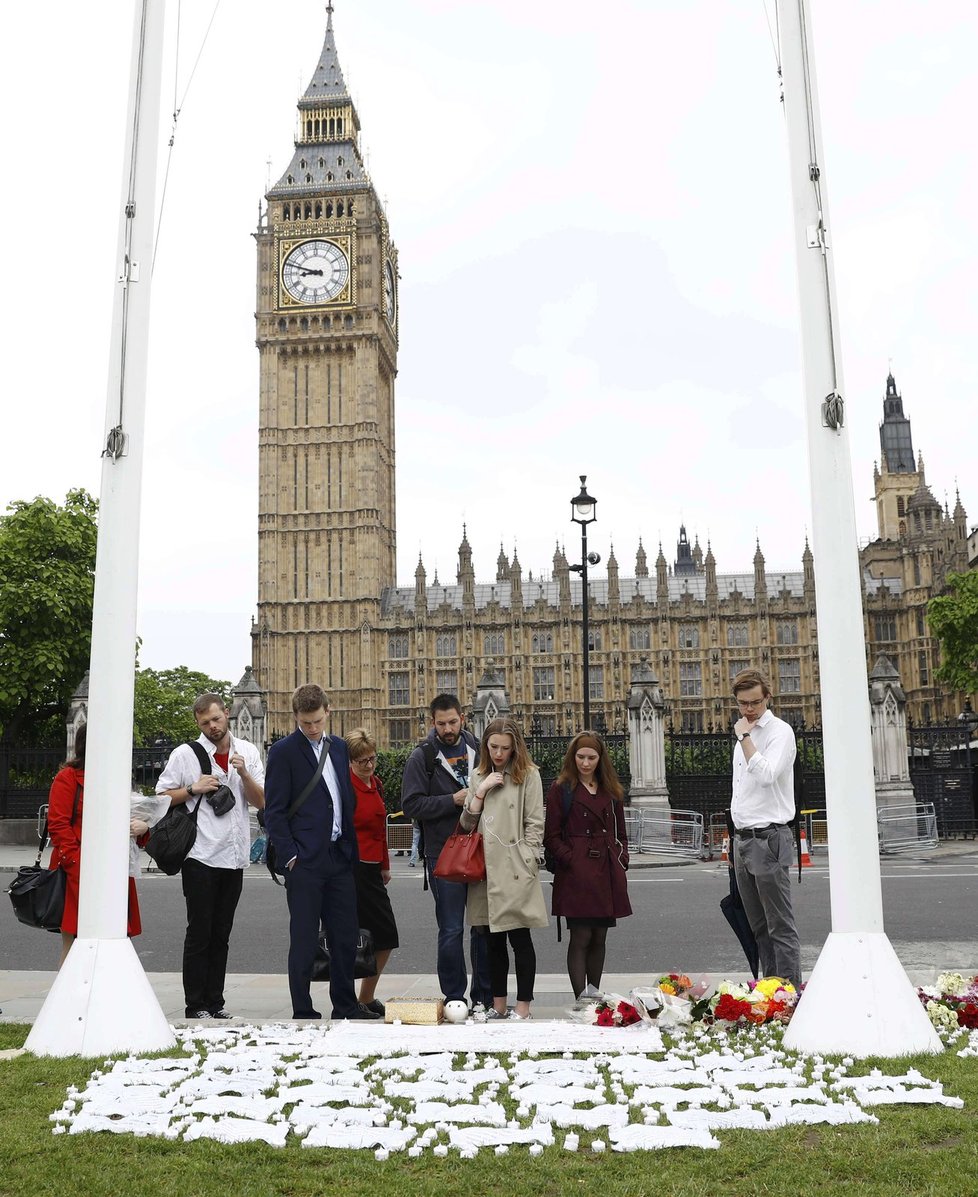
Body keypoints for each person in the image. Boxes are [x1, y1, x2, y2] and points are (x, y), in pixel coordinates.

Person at [263, 684, 381, 1021]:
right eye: (305, 723)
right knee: (303, 938)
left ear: (328, 712)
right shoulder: (284, 752)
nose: (312, 728)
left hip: (339, 857)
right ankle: (303, 1008)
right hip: (305, 862)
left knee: (344, 936)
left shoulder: (340, 748)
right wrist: (290, 857)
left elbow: (345, 797)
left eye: (316, 721)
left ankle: (345, 1005)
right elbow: (274, 811)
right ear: (295, 718)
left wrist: (348, 848)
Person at [157, 693, 265, 1019]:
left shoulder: (247, 751)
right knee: (199, 932)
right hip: (200, 854)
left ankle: (215, 1003)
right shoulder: (185, 755)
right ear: (197, 723)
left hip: (234, 856)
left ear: (227, 714)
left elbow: (262, 801)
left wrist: (244, 774)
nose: (213, 727)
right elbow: (161, 796)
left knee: (222, 933)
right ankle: (196, 1005)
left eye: (216, 719)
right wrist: (192, 789)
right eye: (205, 723)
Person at [401, 694, 492, 1013]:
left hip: (481, 848)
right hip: (444, 853)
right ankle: (455, 995)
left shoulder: (480, 749)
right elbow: (411, 805)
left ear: (463, 718)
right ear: (432, 722)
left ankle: (484, 994)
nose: (448, 729)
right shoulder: (422, 757)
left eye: (453, 722)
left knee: (483, 925)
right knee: (452, 927)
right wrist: (451, 800)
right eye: (441, 724)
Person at [460, 718, 548, 1020]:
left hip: (515, 867)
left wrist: (529, 858)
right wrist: (481, 791)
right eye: (493, 747)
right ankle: (498, 1005)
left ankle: (523, 1006)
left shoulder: (529, 776)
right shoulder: (478, 775)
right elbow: (466, 824)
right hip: (485, 869)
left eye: (505, 748)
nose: (498, 753)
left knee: (520, 938)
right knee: (491, 939)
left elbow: (535, 823)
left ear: (515, 748)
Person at [543, 731, 631, 999]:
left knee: (600, 937)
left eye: (591, 757)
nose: (585, 763)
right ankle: (581, 997)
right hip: (576, 874)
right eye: (581, 757)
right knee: (580, 937)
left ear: (600, 758)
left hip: (606, 870)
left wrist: (622, 857)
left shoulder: (610, 789)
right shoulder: (562, 789)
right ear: (573, 757)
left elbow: (622, 832)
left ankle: (595, 991)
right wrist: (572, 859)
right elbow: (551, 835)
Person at [47, 724, 144, 966]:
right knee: (75, 944)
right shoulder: (67, 777)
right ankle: (69, 1000)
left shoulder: (118, 778)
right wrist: (77, 865)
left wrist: (142, 829)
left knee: (116, 939)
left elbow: (132, 819)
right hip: (77, 871)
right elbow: (58, 825)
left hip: (113, 869)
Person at [729, 667, 801, 987]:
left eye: (755, 702)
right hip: (743, 840)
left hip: (769, 837)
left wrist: (745, 737)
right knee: (758, 926)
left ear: (768, 697)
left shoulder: (779, 732)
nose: (749, 710)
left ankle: (789, 996)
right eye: (743, 704)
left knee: (779, 926)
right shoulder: (743, 736)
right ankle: (771, 991)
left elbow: (767, 775)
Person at [346, 728, 399, 1015]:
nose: (368, 765)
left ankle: (365, 997)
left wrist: (386, 865)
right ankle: (349, 998)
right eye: (361, 761)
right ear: (350, 762)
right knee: (351, 937)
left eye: (372, 759)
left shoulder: (375, 784)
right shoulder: (345, 788)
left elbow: (380, 829)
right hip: (352, 871)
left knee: (385, 937)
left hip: (372, 871)